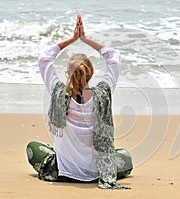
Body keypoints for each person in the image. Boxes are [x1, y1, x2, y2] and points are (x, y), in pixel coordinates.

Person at [26, 15, 133, 189]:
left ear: (68, 73)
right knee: (125, 156)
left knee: (32, 147)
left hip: (62, 170)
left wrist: (72, 39)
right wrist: (85, 39)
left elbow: (44, 57)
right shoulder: (102, 95)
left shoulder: (58, 92)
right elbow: (114, 57)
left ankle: (63, 164)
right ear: (90, 73)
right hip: (97, 172)